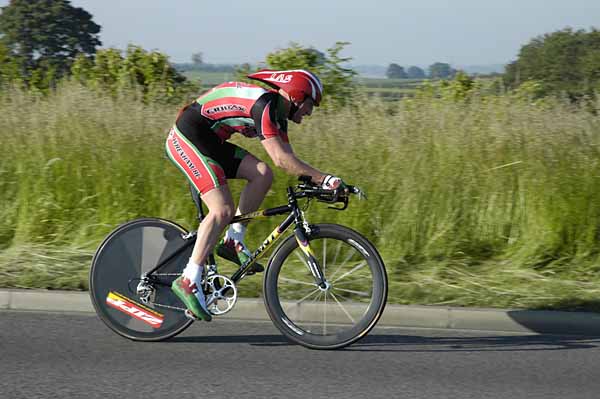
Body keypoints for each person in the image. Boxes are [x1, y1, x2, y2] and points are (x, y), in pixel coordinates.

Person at [165, 69, 344, 321]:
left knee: (262, 174)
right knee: (221, 210)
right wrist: (325, 178)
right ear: (295, 97)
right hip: (187, 139)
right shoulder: (266, 107)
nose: (310, 112)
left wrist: (319, 181)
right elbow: (283, 160)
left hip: (211, 142)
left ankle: (232, 240)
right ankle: (188, 279)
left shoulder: (279, 115)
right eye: (309, 104)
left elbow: (289, 162)